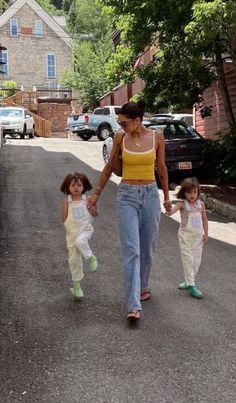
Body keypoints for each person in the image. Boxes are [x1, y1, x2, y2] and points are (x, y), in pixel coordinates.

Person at [88, 101, 172, 321]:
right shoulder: (120, 138)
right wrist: (96, 194)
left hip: (151, 195)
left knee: (147, 248)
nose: (121, 127)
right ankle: (134, 304)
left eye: (124, 123)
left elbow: (161, 168)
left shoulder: (157, 137)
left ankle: (143, 286)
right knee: (132, 250)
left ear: (137, 120)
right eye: (119, 123)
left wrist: (167, 199)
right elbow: (109, 167)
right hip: (126, 195)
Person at [167, 177, 208, 299]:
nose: (192, 195)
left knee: (196, 260)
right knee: (188, 259)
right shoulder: (181, 204)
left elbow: (204, 220)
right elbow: (170, 213)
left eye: (195, 192)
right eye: (189, 192)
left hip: (198, 237)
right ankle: (192, 286)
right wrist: (168, 207)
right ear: (184, 192)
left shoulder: (201, 204)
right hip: (185, 236)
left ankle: (188, 281)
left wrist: (206, 234)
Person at [60, 172, 98, 300]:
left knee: (81, 242)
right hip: (72, 232)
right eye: (73, 185)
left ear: (84, 186)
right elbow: (64, 217)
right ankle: (77, 287)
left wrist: (92, 209)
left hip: (85, 230)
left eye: (79, 185)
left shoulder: (87, 199)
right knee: (74, 260)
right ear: (68, 187)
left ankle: (91, 257)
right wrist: (69, 227)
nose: (76, 188)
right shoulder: (67, 201)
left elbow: (94, 213)